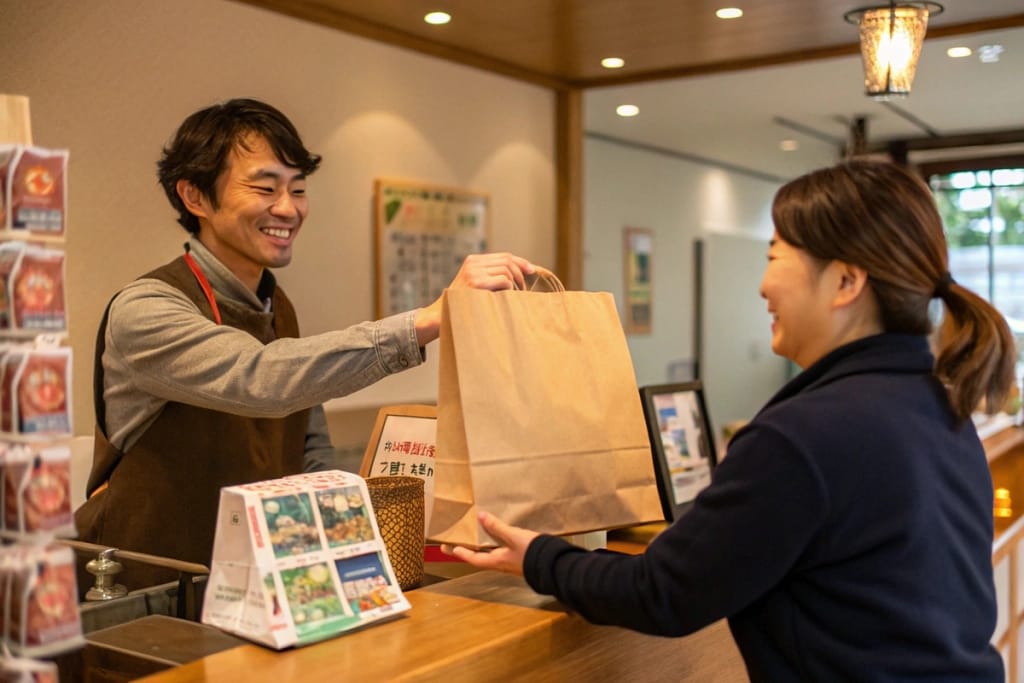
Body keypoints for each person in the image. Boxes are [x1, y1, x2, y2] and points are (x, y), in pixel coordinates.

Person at [445, 159, 1015, 682]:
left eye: (774, 258)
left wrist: (539, 558)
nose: (764, 286)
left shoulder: (804, 437)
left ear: (846, 282)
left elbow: (663, 592)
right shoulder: (940, 404)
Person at [74, 98, 534, 589]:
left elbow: (309, 450)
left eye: (298, 189)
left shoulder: (277, 305)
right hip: (149, 592)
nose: (288, 209)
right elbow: (261, 377)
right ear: (195, 197)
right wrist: (429, 318)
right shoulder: (145, 309)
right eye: (265, 187)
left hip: (260, 589)